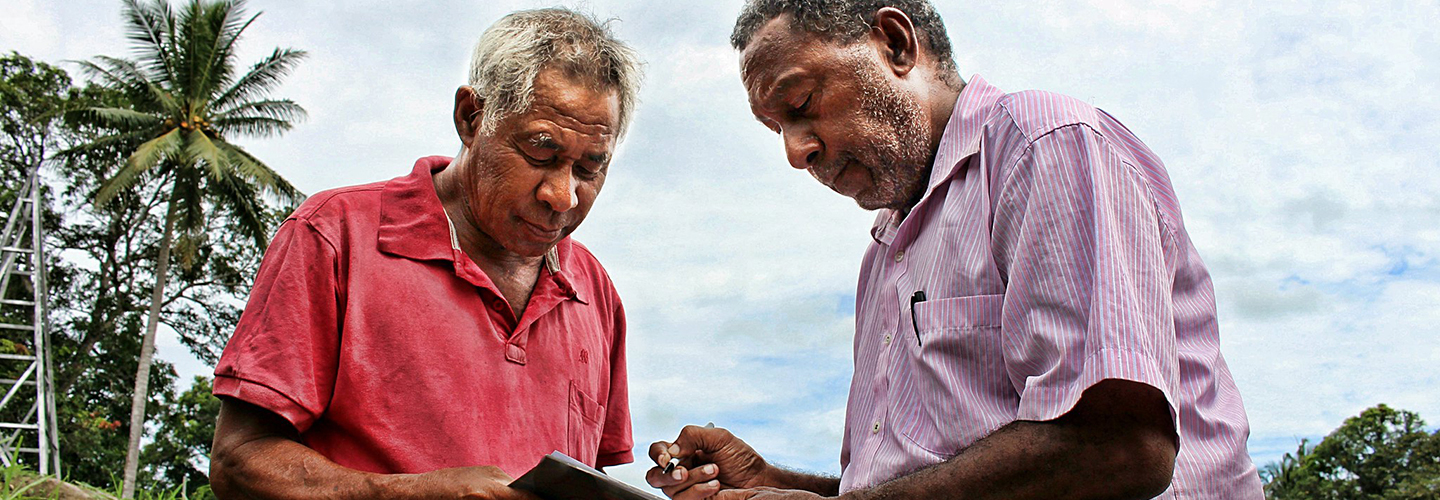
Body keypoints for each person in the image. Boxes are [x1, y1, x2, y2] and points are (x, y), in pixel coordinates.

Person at [646, 1, 1264, 499]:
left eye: (801, 104)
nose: (795, 151)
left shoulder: (1044, 146)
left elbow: (1121, 447)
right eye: (776, 129)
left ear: (894, 43)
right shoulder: (884, 255)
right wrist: (777, 485)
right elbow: (910, 485)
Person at [207, 8, 644, 499]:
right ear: (471, 117)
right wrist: (410, 494)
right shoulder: (335, 234)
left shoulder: (593, 289)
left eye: (589, 169)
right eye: (540, 153)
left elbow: (586, 475)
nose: (562, 196)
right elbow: (238, 462)